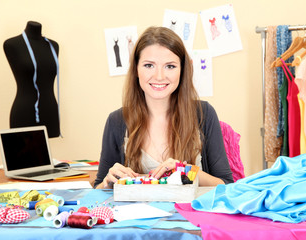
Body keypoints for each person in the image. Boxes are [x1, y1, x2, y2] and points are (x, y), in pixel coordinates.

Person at [94, 26, 233, 189]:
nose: (159, 76)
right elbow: (99, 188)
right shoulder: (116, 121)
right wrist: (106, 182)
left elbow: (227, 185)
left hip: (190, 214)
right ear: (136, 69)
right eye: (149, 65)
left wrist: (186, 171)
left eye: (170, 66)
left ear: (182, 70)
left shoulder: (204, 113)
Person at [3, 21, 60, 138]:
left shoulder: (53, 45)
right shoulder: (12, 44)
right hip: (25, 110)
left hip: (50, 108)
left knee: (43, 153)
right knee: (23, 152)